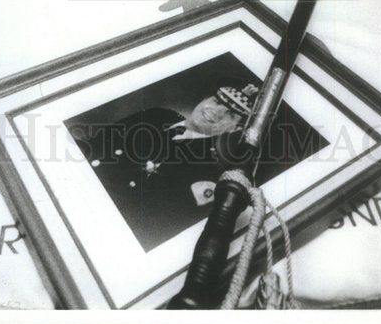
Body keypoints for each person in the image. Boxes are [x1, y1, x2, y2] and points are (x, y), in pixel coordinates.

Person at [67, 83, 259, 251]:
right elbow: (94, 145)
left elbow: (150, 224)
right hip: (70, 181)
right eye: (217, 101)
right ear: (205, 99)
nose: (216, 111)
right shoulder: (157, 115)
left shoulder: (205, 170)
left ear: (235, 129)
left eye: (231, 114)